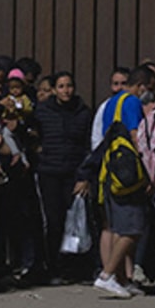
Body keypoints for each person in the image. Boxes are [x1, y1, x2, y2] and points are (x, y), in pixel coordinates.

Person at [81, 67, 150, 299]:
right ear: (140, 85)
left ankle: (121, 278)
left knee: (116, 225)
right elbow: (134, 134)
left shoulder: (111, 103)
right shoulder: (131, 102)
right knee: (132, 227)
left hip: (110, 169)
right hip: (126, 171)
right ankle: (107, 275)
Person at [35, 71, 91, 283]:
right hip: (49, 172)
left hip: (73, 173)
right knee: (53, 220)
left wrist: (84, 176)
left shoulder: (83, 112)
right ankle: (53, 267)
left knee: (75, 222)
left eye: (69, 86)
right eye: (61, 86)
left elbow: (87, 146)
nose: (66, 90)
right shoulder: (43, 111)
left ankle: (74, 268)